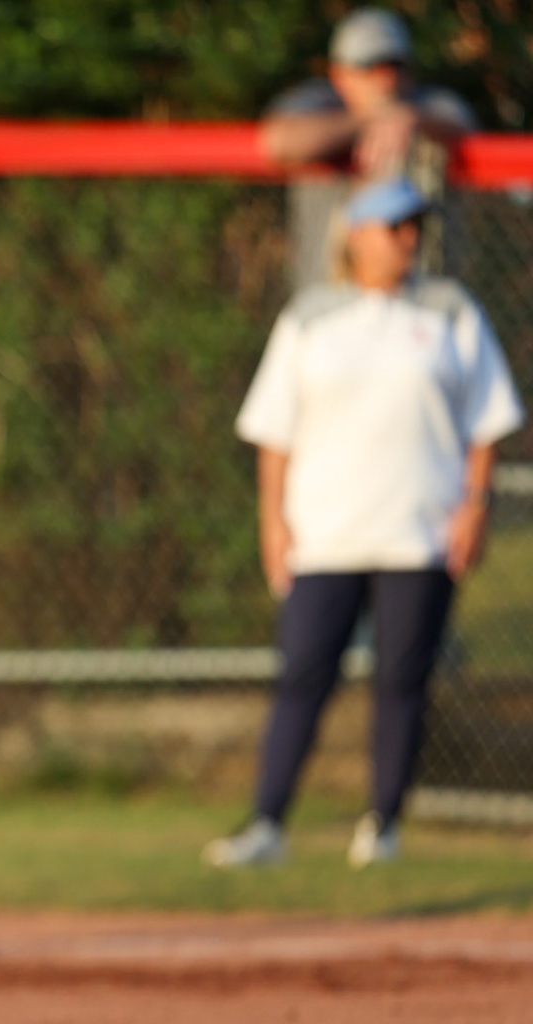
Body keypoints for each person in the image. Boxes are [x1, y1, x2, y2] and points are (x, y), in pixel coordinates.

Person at [204, 179, 522, 870]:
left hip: (420, 531)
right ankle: (267, 823)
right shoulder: (311, 318)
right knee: (302, 676)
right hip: (325, 533)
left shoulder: (449, 311)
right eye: (394, 226)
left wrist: (474, 506)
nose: (408, 238)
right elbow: (273, 433)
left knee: (401, 681)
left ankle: (383, 825)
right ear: (357, 234)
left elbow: (487, 423)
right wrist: (273, 523)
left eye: (415, 227)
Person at [260, 7, 478, 287]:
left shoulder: (425, 107)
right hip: (330, 297)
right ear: (339, 72)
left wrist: (411, 119)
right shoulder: (320, 103)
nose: (385, 80)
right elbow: (278, 142)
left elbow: (465, 126)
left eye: (394, 66)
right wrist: (370, 118)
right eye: (370, 67)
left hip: (416, 302)